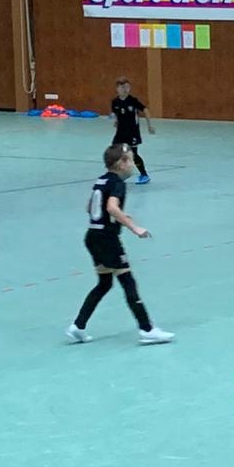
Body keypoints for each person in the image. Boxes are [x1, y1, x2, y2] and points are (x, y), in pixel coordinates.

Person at [66, 143, 173, 345]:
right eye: (130, 160)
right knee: (127, 281)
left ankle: (78, 326)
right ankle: (147, 329)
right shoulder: (117, 183)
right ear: (121, 163)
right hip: (108, 239)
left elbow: (90, 207)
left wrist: (118, 217)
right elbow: (111, 207)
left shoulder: (101, 180)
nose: (132, 164)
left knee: (104, 283)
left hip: (93, 236)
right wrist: (134, 227)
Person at [111, 77, 155, 184]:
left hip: (132, 133)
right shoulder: (115, 102)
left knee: (133, 154)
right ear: (117, 88)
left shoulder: (133, 101)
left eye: (127, 87)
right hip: (120, 132)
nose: (125, 89)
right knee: (115, 152)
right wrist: (116, 121)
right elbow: (116, 113)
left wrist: (149, 125)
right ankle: (120, 174)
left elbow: (145, 110)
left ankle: (144, 175)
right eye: (123, 87)